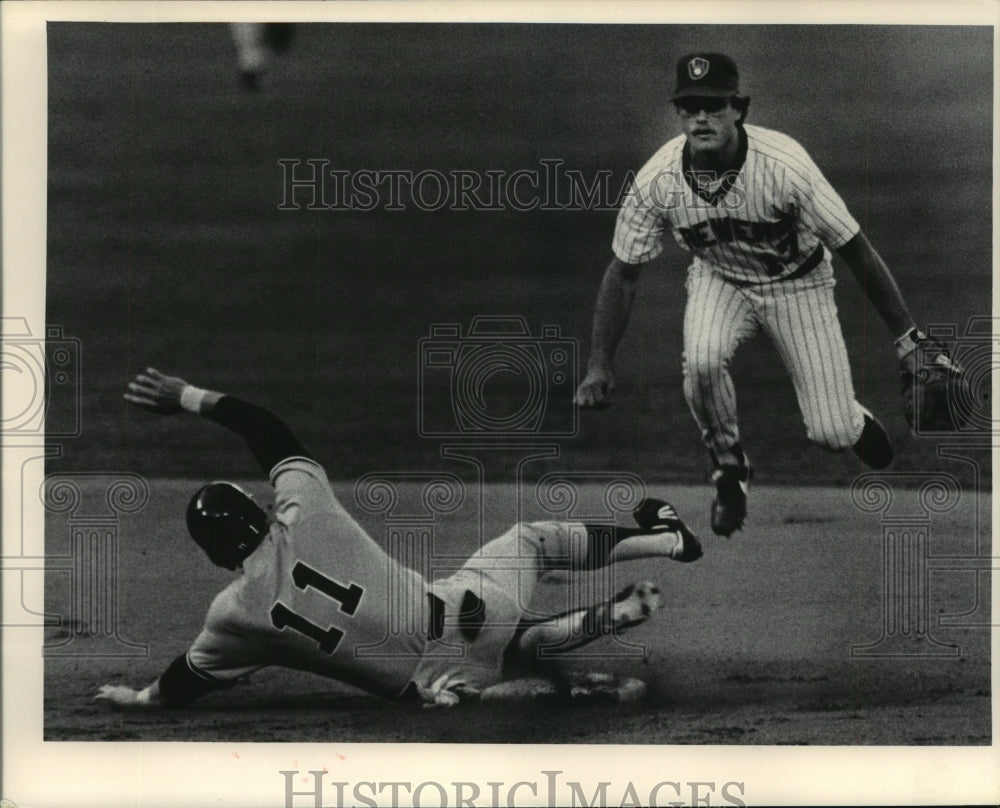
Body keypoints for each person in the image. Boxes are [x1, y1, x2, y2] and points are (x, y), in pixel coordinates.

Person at [95, 368, 702, 709]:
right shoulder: (308, 513)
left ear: (213, 554)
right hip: (469, 612)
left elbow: (183, 681)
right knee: (531, 542)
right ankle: (666, 541)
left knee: (480, 671)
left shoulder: (230, 617)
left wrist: (139, 697)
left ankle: (551, 683)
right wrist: (186, 397)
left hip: (431, 688)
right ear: (259, 512)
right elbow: (267, 428)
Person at [575, 51, 930, 537]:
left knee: (830, 434)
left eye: (714, 105)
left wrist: (908, 340)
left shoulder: (785, 165)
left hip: (799, 284)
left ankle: (852, 420)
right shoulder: (656, 180)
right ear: (678, 113)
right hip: (719, 279)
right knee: (702, 359)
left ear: (738, 109)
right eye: (690, 106)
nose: (701, 117)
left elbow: (855, 248)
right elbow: (623, 273)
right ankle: (729, 466)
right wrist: (599, 362)